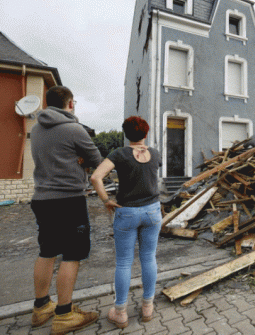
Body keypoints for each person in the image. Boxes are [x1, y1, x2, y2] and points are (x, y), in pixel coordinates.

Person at [30, 86, 102, 335]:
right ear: (70, 104)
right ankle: (64, 314)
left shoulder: (37, 128)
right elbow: (98, 161)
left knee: (47, 251)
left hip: (41, 198)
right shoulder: (74, 129)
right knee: (72, 255)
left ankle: (41, 308)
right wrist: (82, 163)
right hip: (68, 200)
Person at [90, 116, 162, 328]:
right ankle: (147, 306)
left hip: (127, 212)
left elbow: (96, 177)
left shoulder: (119, 154)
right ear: (146, 134)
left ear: (125, 134)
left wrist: (106, 201)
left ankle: (120, 312)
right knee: (148, 258)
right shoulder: (155, 153)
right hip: (152, 211)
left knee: (123, 262)